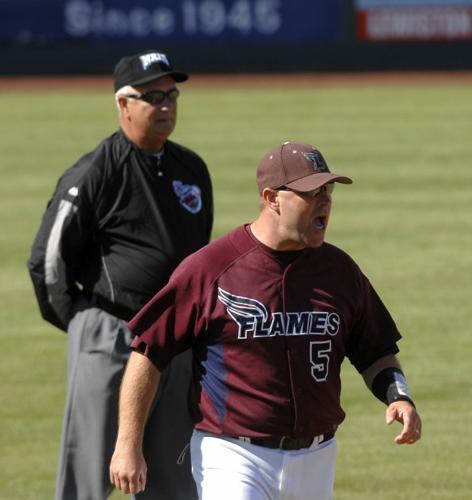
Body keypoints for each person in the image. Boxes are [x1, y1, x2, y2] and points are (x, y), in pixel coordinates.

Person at [109, 142, 422, 500]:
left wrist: (399, 397)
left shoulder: (339, 271)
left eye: (328, 190)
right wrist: (127, 444)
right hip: (233, 455)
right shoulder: (211, 269)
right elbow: (148, 352)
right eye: (311, 192)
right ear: (272, 198)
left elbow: (375, 349)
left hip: (318, 457)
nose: (324, 201)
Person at [28, 49, 213, 500]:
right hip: (112, 334)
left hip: (175, 341)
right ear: (123, 104)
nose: (166, 105)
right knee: (86, 479)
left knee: (174, 481)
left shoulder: (192, 170)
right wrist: (82, 324)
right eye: (152, 96)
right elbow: (48, 261)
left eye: (172, 94)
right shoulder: (94, 172)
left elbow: (200, 261)